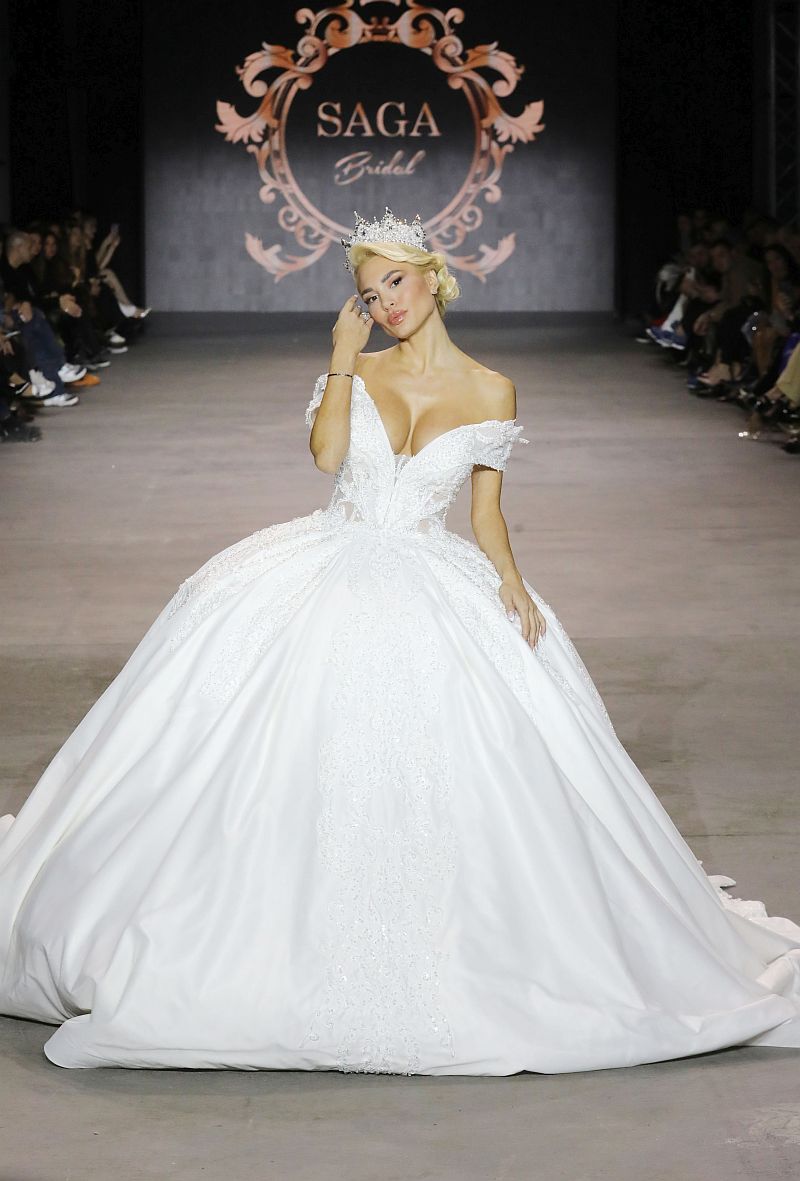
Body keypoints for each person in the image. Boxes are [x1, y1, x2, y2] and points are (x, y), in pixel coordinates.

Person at [0, 209, 798, 1076]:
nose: (385, 303)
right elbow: (325, 459)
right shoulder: (359, 367)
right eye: (368, 292)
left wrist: (511, 579)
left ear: (432, 275)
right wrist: (341, 358)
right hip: (325, 563)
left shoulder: (492, 390)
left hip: (430, 573)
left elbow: (485, 512)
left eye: (395, 281)